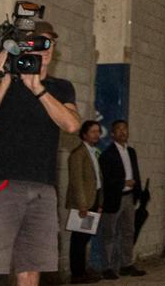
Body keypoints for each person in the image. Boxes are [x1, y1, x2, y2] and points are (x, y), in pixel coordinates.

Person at [0, 20, 82, 286]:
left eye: (49, 43)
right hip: (2, 185)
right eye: (38, 43)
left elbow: (72, 124)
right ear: (23, 47)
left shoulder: (60, 88)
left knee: (30, 271)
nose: (45, 49)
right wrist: (4, 82)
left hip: (42, 189)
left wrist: (38, 89)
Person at [98, 119, 146, 279]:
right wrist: (122, 183)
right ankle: (108, 267)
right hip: (114, 198)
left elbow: (135, 172)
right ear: (112, 134)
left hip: (129, 197)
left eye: (125, 129)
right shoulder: (107, 154)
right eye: (119, 129)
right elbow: (106, 178)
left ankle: (126, 264)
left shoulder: (131, 151)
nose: (123, 132)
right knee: (109, 233)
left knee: (128, 232)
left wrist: (138, 190)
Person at [65, 120, 105, 283]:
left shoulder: (94, 152)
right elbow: (77, 181)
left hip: (93, 199)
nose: (97, 135)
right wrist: (82, 204)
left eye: (98, 132)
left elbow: (98, 179)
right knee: (79, 239)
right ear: (84, 134)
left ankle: (83, 269)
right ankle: (77, 274)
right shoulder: (77, 154)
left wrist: (100, 201)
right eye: (93, 132)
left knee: (86, 237)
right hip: (84, 202)